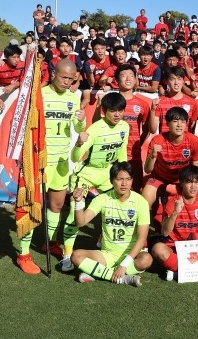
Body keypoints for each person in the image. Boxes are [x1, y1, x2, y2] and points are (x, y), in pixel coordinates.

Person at [16, 60, 87, 274]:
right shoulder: (39, 95)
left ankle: (49, 242)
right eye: (63, 77)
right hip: (40, 161)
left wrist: (81, 121)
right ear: (54, 74)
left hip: (62, 161)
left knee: (56, 206)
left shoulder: (73, 98)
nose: (67, 82)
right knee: (32, 205)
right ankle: (23, 254)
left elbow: (77, 127)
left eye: (71, 79)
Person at [61, 92, 130, 271]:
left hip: (107, 173)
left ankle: (105, 244)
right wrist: (77, 143)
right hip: (85, 174)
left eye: (120, 110)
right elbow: (75, 157)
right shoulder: (94, 129)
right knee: (75, 211)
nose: (117, 114)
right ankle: (67, 255)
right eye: (113, 111)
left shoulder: (125, 127)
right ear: (103, 111)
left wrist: (124, 173)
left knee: (115, 208)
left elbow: (122, 153)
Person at [70, 162, 152, 286]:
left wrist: (124, 264)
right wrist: (79, 202)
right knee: (76, 256)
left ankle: (99, 273)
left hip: (130, 254)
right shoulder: (102, 199)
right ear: (111, 180)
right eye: (119, 179)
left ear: (132, 180)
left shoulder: (141, 202)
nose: (124, 184)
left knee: (146, 259)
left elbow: (142, 238)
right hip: (107, 255)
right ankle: (123, 279)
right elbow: (80, 222)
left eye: (128, 179)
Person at [150, 165, 198, 280]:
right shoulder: (172, 202)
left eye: (196, 182)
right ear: (181, 183)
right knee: (157, 249)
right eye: (189, 182)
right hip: (176, 248)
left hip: (197, 248)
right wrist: (175, 212)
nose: (193, 186)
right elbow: (165, 232)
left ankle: (178, 272)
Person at [143, 107, 198, 216]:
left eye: (183, 121)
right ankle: (143, 231)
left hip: (182, 180)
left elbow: (195, 169)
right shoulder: (158, 140)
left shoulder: (194, 141)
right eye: (175, 121)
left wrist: (197, 187)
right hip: (159, 177)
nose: (179, 125)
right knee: (145, 200)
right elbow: (147, 170)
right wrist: (152, 156)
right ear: (167, 123)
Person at [0, 44, 25, 113]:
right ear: (6, 57)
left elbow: (25, 81)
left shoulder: (23, 65)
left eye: (18, 57)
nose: (17, 60)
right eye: (13, 57)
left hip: (15, 96)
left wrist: (13, 85)